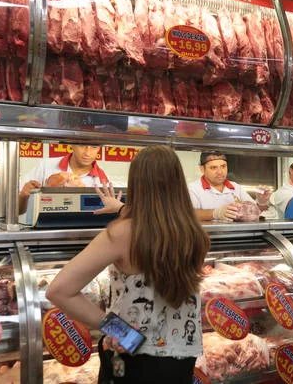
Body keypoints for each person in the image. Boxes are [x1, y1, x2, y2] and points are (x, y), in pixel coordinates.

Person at [46, 145, 209, 383]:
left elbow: (59, 291)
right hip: (182, 356)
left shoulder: (122, 233)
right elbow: (159, 222)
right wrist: (121, 208)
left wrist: (116, 329)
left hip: (132, 353)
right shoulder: (195, 233)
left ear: (137, 184)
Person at [19, 144, 109, 213]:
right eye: (82, 145)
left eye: (94, 147)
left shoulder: (103, 181)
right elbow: (17, 210)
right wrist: (23, 195)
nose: (87, 153)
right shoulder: (45, 165)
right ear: (72, 144)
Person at [188, 151, 270, 221]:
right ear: (202, 169)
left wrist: (262, 203)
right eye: (213, 168)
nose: (220, 172)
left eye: (223, 166)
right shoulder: (193, 189)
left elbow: (254, 212)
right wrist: (216, 213)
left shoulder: (235, 187)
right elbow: (188, 214)